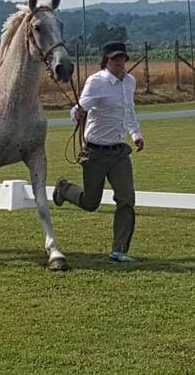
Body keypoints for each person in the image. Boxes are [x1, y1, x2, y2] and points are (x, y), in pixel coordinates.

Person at [53, 41, 144, 263]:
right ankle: (64, 189)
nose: (119, 62)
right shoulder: (96, 82)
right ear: (106, 61)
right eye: (114, 59)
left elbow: (129, 112)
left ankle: (119, 250)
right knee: (90, 202)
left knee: (126, 199)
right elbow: (79, 108)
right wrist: (76, 114)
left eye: (122, 58)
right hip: (96, 152)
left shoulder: (130, 82)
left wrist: (135, 134)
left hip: (119, 152)